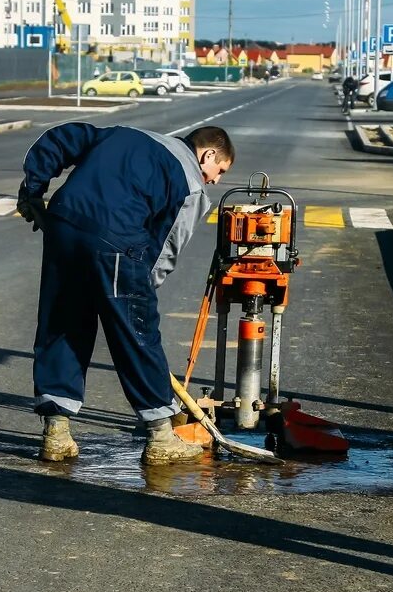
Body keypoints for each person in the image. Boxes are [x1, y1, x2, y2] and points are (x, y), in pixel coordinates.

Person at [17, 124, 234, 466]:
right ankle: (162, 436)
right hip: (116, 242)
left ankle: (56, 433)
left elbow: (59, 138)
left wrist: (33, 189)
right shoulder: (191, 184)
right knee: (137, 334)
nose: (216, 180)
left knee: (63, 323)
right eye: (219, 170)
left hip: (64, 227)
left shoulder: (124, 134)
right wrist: (138, 295)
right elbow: (166, 248)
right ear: (207, 154)